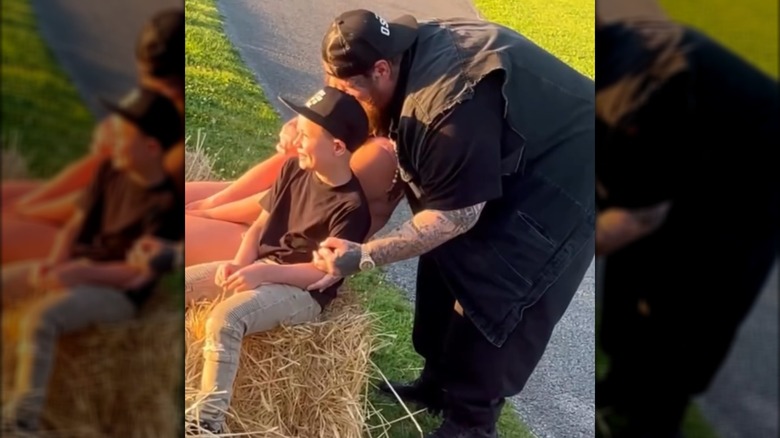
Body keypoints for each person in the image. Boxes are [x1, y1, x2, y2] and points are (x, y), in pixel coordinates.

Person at [309, 9, 595, 438]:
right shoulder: (409, 53)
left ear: (382, 69)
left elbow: (456, 215)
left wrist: (365, 255)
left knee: (496, 287)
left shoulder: (445, 107)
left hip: (564, 178)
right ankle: (435, 386)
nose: (341, 96)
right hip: (509, 150)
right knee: (445, 262)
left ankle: (471, 422)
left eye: (348, 88)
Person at [594, 5, 779, 438]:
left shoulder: (640, 87)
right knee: (632, 277)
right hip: (682, 148)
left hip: (746, 184)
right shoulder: (613, 48)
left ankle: (655, 421)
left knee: (691, 306)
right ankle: (620, 389)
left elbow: (639, 215)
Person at [185, 87, 372, 434]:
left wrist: (261, 273)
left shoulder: (352, 208)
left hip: (301, 290)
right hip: (260, 269)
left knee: (227, 319)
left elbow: (321, 274)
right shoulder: (293, 172)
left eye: (305, 135)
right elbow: (258, 226)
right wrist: (242, 264)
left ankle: (207, 421)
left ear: (336, 147)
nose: (296, 141)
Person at [2, 87, 183, 434]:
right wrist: (56, 263)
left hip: (115, 292)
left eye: (122, 137)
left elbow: (136, 275)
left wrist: (81, 273)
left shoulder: (163, 207)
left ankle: (22, 419)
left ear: (151, 148)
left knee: (41, 320)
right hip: (75, 268)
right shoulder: (109, 174)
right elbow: (74, 224)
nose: (111, 141)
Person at [1, 8, 184, 264]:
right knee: (6, 197)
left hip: (115, 241)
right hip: (102, 207)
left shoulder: (176, 154)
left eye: (164, 89)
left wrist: (30, 211)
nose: (148, 95)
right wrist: (30, 203)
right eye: (145, 81)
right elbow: (104, 166)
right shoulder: (156, 110)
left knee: (6, 230)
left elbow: (101, 203)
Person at [183, 118, 402, 266]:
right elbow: (286, 167)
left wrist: (209, 212)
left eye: (339, 78)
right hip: (272, 211)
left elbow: (292, 202)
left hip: (288, 242)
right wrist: (218, 198)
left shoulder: (377, 154)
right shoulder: (346, 110)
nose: (332, 86)